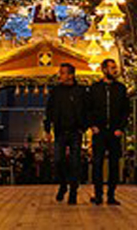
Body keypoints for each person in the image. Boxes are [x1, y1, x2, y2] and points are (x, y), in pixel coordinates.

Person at [86, 58, 129, 205]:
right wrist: (93, 125)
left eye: (115, 67)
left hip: (114, 132)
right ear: (104, 70)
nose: (114, 70)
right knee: (97, 163)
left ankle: (111, 195)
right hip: (100, 131)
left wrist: (121, 128)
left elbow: (125, 110)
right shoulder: (95, 88)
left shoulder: (120, 88)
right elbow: (88, 109)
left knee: (114, 164)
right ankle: (98, 194)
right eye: (111, 68)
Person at [44, 62, 87, 204]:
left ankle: (73, 191)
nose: (60, 76)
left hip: (76, 131)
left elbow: (88, 109)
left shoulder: (81, 91)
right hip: (60, 131)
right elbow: (49, 110)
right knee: (58, 161)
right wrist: (47, 129)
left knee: (75, 163)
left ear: (71, 75)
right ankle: (63, 185)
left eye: (62, 73)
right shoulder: (56, 91)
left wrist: (83, 126)